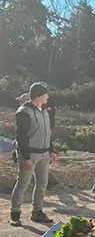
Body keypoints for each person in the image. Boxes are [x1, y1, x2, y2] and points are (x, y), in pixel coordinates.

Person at [10, 83, 57, 226]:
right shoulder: (23, 112)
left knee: (42, 183)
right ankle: (15, 214)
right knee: (23, 183)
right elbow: (21, 137)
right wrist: (26, 157)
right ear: (39, 95)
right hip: (30, 153)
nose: (48, 96)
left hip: (44, 154)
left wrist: (51, 149)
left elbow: (47, 132)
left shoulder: (44, 111)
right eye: (46, 94)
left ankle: (37, 212)